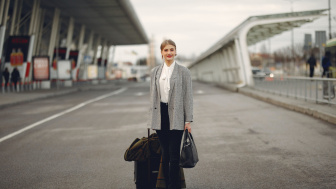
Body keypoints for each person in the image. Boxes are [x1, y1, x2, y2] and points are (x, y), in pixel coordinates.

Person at [148, 39, 193, 189]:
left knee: (174, 155)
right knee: (165, 154)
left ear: (176, 52)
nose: (169, 53)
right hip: (160, 116)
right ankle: (166, 185)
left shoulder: (184, 72)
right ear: (161, 52)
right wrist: (152, 120)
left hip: (177, 116)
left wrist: (188, 120)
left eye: (171, 50)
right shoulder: (155, 72)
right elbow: (153, 97)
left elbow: (188, 97)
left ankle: (174, 186)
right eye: (166, 50)